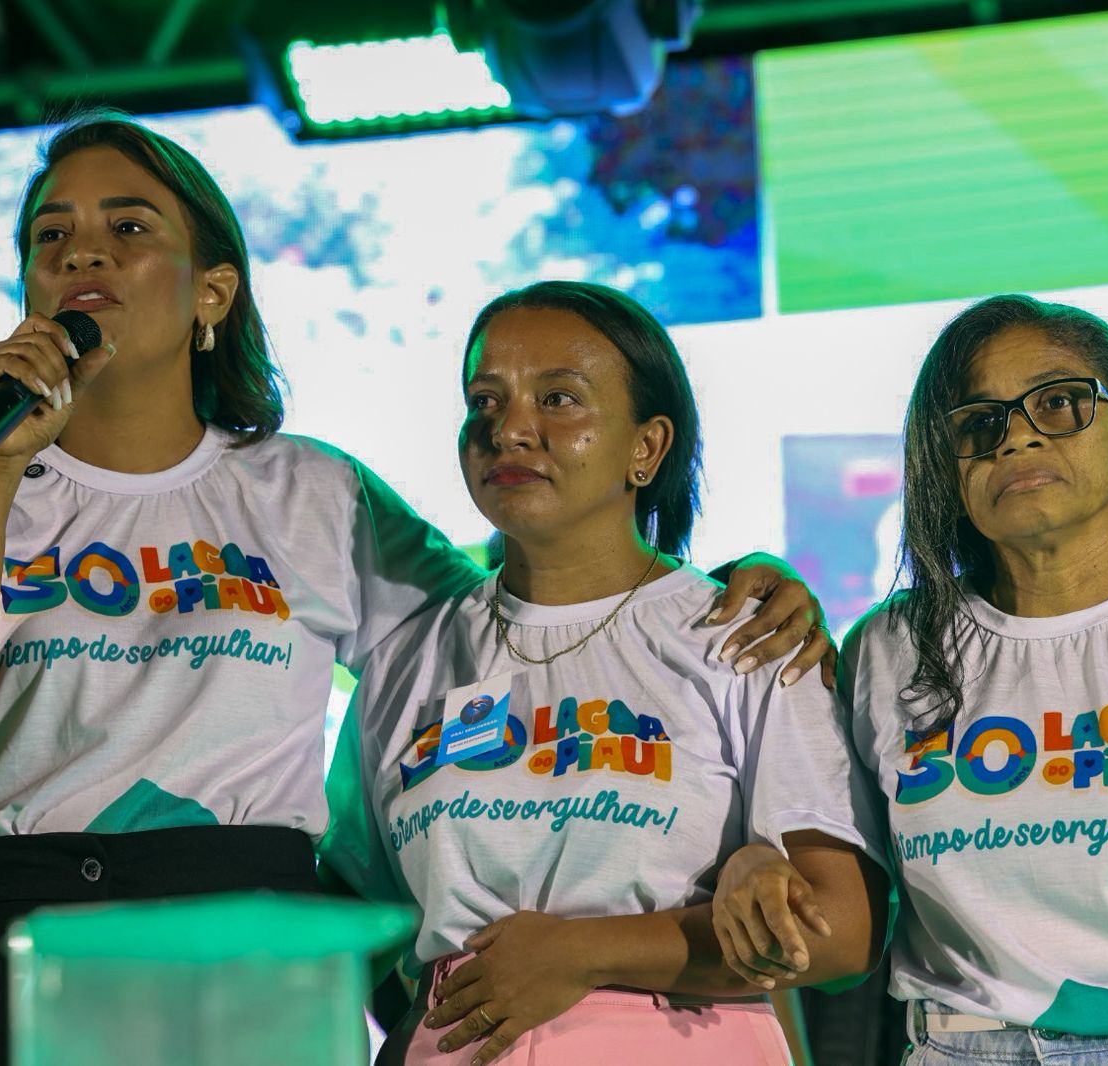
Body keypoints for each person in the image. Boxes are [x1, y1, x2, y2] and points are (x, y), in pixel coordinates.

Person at [0, 115, 832, 1066]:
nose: (80, 254)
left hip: (248, 941)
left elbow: (541, 611)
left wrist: (742, 579)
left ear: (212, 291)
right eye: (50, 235)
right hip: (5, 937)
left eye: (128, 227)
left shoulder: (315, 492)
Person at [720, 294, 1108, 1064]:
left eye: (1058, 404)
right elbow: (838, 924)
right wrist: (750, 860)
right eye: (977, 423)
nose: (1016, 435)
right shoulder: (884, 651)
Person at [318, 281, 890, 1066]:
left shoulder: (744, 633)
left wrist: (581, 953)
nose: (511, 428)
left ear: (646, 447)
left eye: (559, 399)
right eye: (485, 401)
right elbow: (356, 924)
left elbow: (841, 931)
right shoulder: (411, 658)